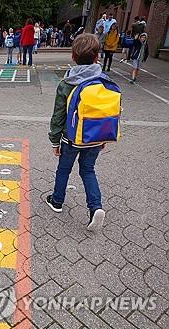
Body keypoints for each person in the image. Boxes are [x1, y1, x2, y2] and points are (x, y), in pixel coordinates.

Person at [47, 33, 118, 231]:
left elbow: (58, 116)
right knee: (88, 170)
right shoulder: (104, 81)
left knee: (64, 169)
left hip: (71, 139)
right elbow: (106, 113)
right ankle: (95, 207)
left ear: (73, 56)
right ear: (97, 57)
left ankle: (57, 201)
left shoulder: (67, 84)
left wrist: (54, 141)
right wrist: (103, 137)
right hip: (95, 138)